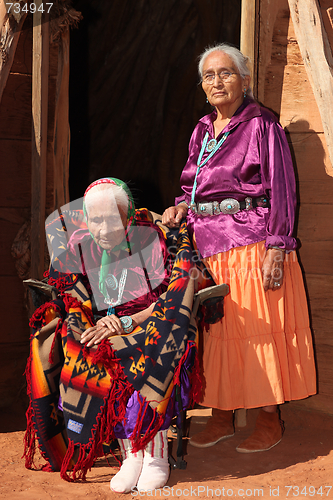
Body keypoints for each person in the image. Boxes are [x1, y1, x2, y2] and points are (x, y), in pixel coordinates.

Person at [162, 43, 316, 453]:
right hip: (207, 248)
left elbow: (283, 189)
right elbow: (191, 187)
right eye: (209, 75)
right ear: (202, 86)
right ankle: (221, 415)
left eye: (226, 73)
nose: (217, 81)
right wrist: (180, 208)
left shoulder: (262, 125)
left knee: (256, 334)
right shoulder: (201, 130)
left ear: (244, 80)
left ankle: (269, 419)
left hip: (251, 244)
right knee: (216, 337)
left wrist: (277, 247)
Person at [24, 177, 198, 491]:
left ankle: (155, 452)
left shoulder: (152, 242)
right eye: (96, 220)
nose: (103, 230)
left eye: (112, 220)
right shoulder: (80, 247)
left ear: (128, 216)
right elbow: (71, 298)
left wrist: (130, 321)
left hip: (152, 323)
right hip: (104, 326)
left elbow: (174, 294)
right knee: (81, 347)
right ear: (86, 219)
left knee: (143, 352)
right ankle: (130, 453)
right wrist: (90, 323)